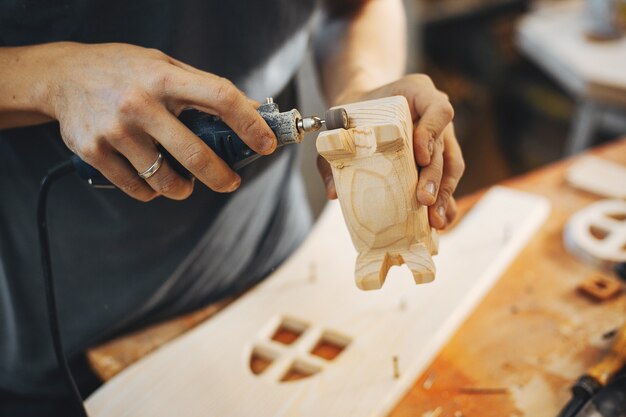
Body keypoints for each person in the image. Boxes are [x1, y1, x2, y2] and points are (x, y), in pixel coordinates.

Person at [0, 0, 465, 415]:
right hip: (72, 351)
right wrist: (54, 79)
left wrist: (361, 87)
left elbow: (353, 9)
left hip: (279, 282)